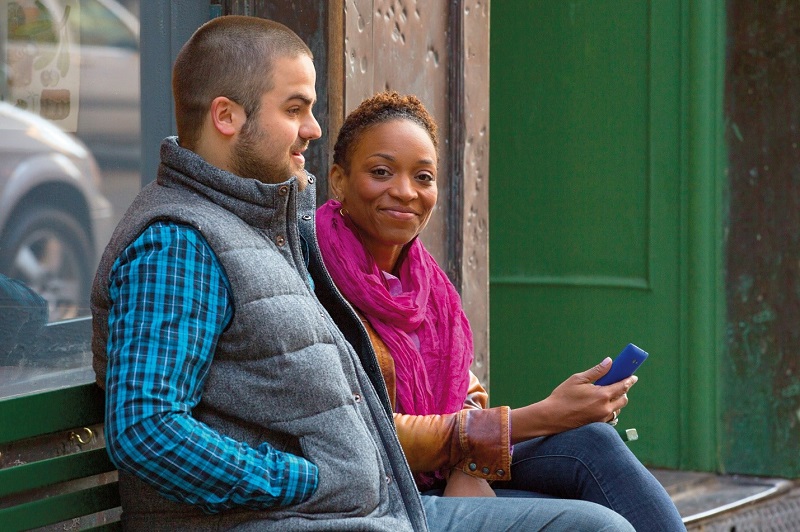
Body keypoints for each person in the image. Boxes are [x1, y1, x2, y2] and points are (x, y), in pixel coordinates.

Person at [90, 16, 431, 530]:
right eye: (295, 109)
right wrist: (307, 481)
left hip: (373, 513)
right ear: (226, 116)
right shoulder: (179, 243)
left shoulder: (263, 227)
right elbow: (146, 428)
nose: (314, 129)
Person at [316, 91, 687, 531]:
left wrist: (467, 466)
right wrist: (542, 416)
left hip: (443, 468)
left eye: (423, 177)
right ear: (339, 180)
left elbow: (463, 389)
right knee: (601, 526)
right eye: (381, 172)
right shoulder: (314, 274)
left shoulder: (427, 282)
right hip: (383, 492)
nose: (405, 191)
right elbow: (364, 430)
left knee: (593, 441)